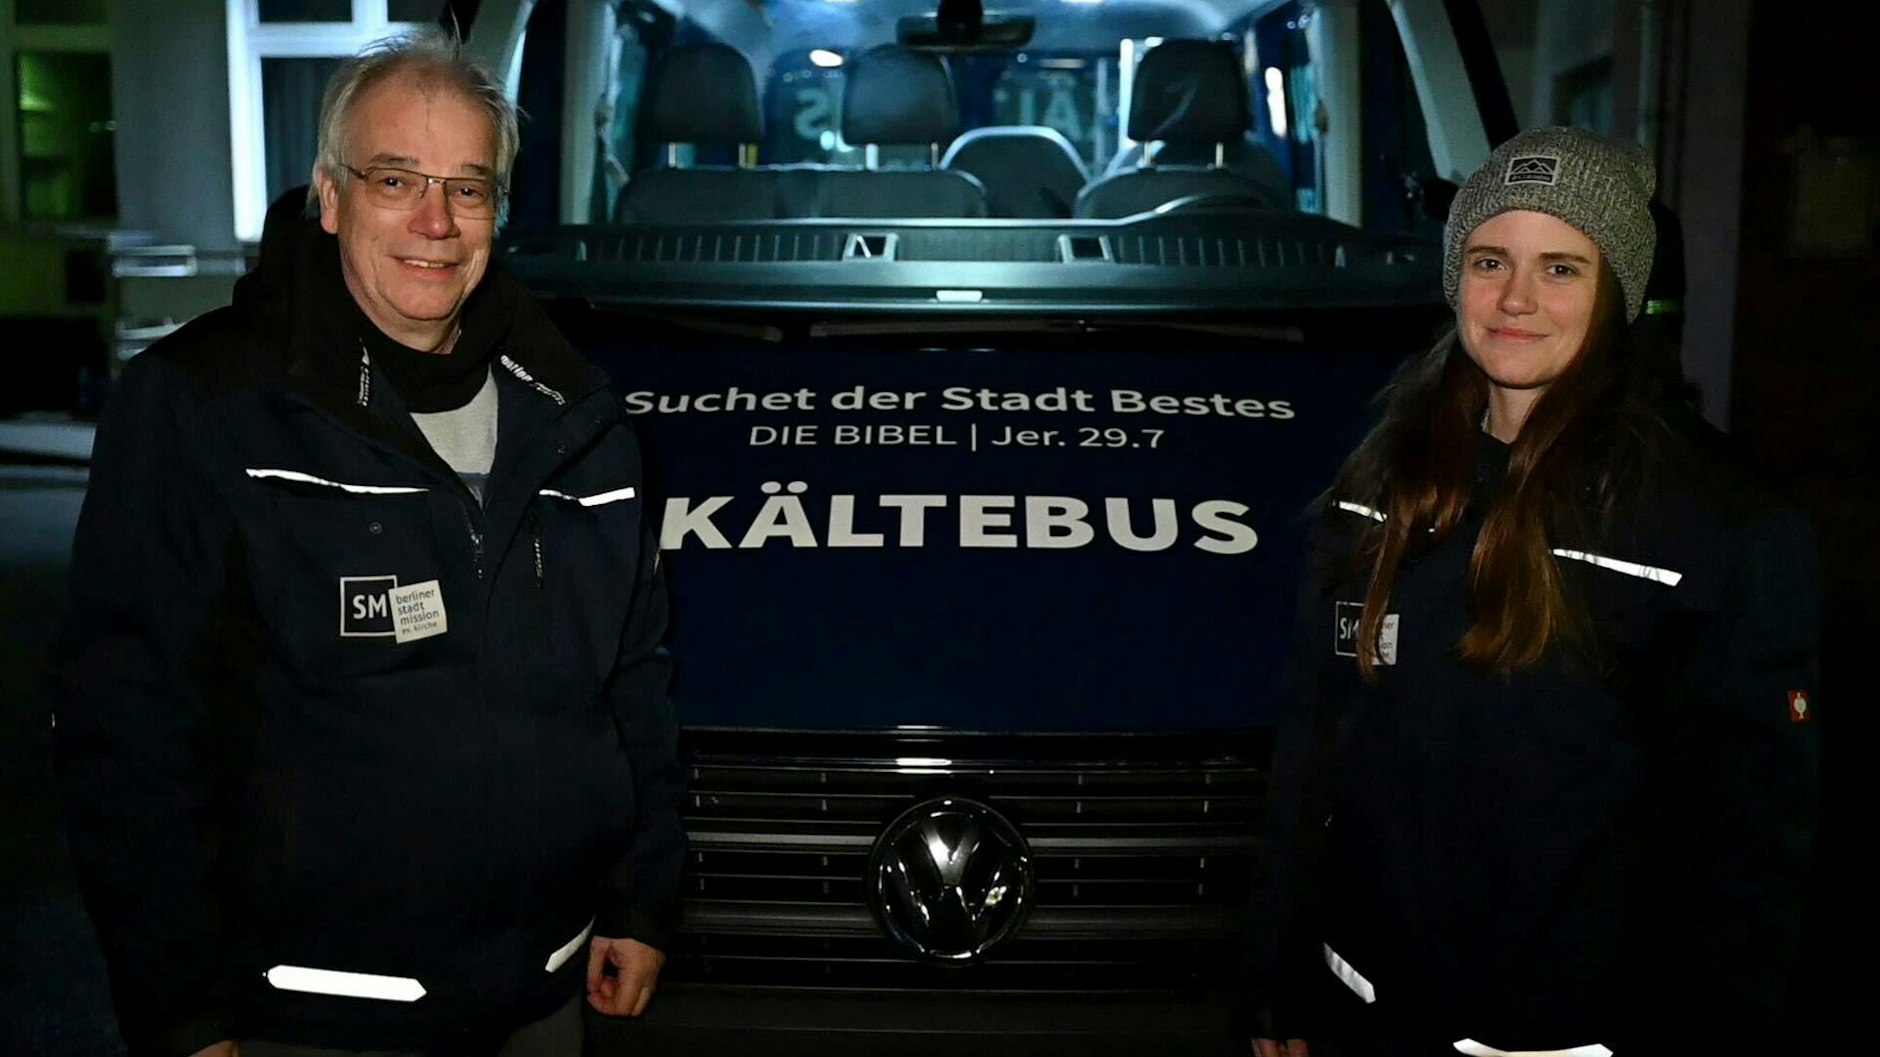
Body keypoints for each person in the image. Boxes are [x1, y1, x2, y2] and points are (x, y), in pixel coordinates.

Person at [52, 29, 684, 1057]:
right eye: (396, 179)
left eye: (467, 188)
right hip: (310, 1015)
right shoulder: (206, 411)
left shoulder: (580, 422)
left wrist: (639, 898)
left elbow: (631, 682)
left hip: (542, 995)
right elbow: (126, 729)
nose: (435, 221)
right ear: (330, 196)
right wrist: (182, 1011)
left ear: (496, 213)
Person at [1243, 127, 1821, 1056]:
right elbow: (1313, 750)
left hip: (1570, 1033)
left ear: (1617, 290)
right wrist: (1276, 981)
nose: (1515, 299)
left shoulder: (1722, 528)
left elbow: (1753, 852)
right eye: (1489, 259)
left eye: (1561, 267)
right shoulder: (1384, 477)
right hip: (1368, 1008)